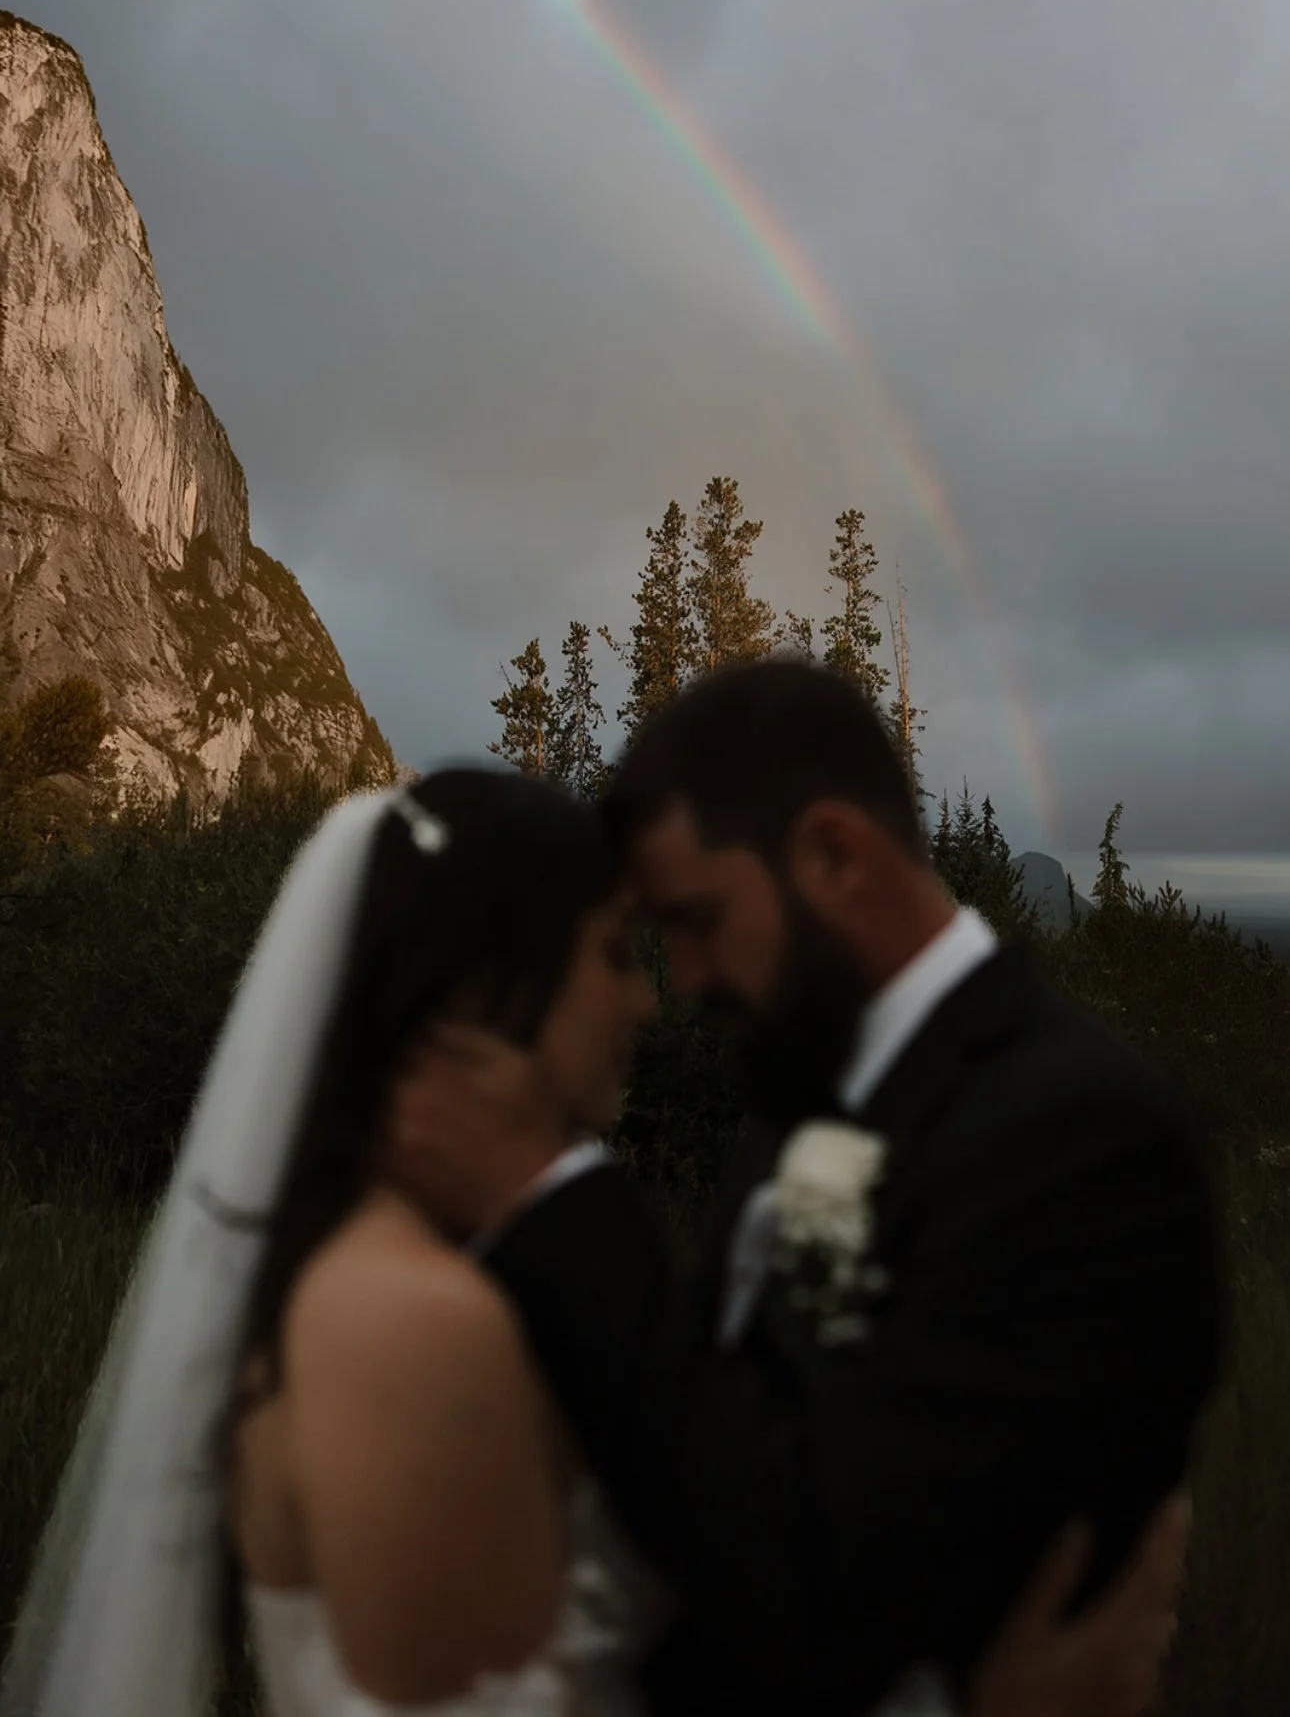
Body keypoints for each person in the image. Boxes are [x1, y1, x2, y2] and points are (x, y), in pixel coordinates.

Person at [0, 764, 1195, 1717]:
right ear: (487, 989)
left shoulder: (376, 1272)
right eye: (615, 952)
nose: (647, 999)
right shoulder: (416, 1316)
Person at [380, 657, 1226, 1717]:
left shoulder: (1084, 1134)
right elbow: (722, 1450)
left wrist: (546, 1193)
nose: (682, 977)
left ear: (835, 851)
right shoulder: (796, 1092)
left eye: (697, 918)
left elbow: (821, 1591)